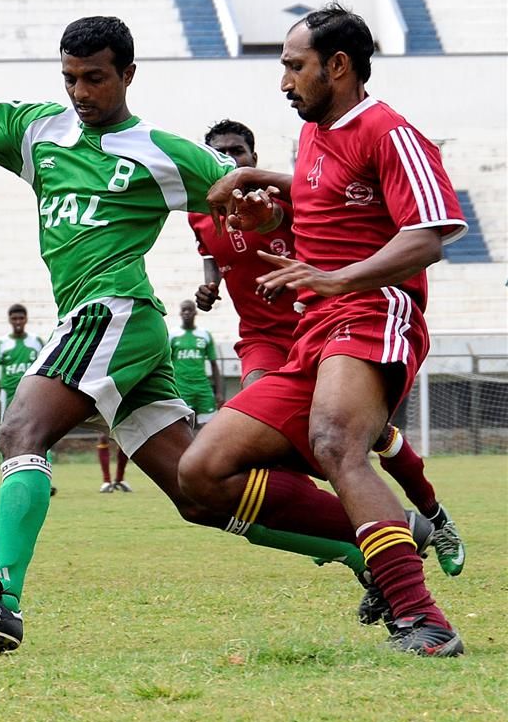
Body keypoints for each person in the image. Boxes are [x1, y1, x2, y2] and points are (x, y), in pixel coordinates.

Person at [0, 15, 430, 654]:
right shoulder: (38, 129)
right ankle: (377, 545)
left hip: (114, 313)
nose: (81, 92)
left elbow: (248, 195)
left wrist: (260, 208)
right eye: (71, 78)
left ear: (128, 75)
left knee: (21, 431)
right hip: (109, 327)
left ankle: (0, 597)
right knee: (199, 494)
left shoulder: (159, 151)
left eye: (96, 79)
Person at [182, 4, 468, 656]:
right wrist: (261, 195)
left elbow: (431, 234)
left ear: (338, 66)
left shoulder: (390, 131)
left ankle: (424, 623)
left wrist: (340, 278)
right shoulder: (314, 136)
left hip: (374, 312)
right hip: (314, 332)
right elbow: (322, 200)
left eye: (294, 66)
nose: (284, 81)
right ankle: (392, 532)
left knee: (337, 441)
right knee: (201, 475)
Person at [191, 119, 466, 589]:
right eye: (219, 155)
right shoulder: (204, 212)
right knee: (257, 447)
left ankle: (429, 517)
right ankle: (367, 540)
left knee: (351, 438)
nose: (230, 162)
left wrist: (307, 272)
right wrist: (211, 283)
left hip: (324, 324)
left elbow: (333, 231)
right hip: (263, 339)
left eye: (237, 152)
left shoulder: (300, 187)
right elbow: (214, 252)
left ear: (254, 157)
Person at [0, 303, 58, 496]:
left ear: (26, 319)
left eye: (21, 318)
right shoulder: (1, 344)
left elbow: (47, 364)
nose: (18, 322)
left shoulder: (36, 341)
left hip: (33, 397)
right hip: (9, 398)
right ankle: (10, 478)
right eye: (14, 319)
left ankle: (44, 480)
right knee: (8, 437)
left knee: (42, 435)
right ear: (10, 320)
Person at [169, 299, 224, 429]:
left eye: (190, 310)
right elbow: (165, 365)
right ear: (180, 313)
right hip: (181, 388)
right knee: (184, 428)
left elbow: (214, 364)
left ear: (195, 312)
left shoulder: (204, 335)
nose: (187, 313)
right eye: (184, 310)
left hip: (203, 388)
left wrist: (219, 391)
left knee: (209, 428)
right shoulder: (172, 335)